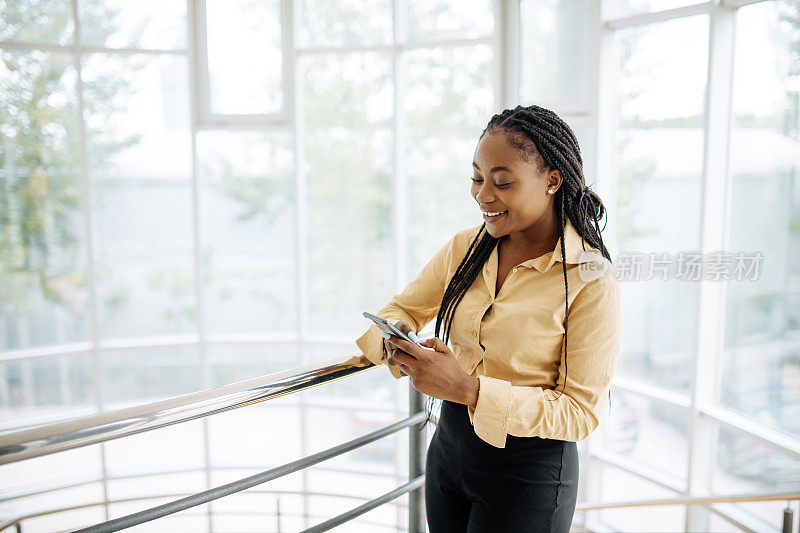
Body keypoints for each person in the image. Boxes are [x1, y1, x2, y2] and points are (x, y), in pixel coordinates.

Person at [354, 104, 623, 533]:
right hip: (448, 455)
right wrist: (394, 336)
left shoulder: (590, 278)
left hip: (529, 476)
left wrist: (468, 389)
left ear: (552, 180)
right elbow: (399, 308)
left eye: (502, 182)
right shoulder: (465, 248)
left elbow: (579, 413)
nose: (483, 195)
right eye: (477, 179)